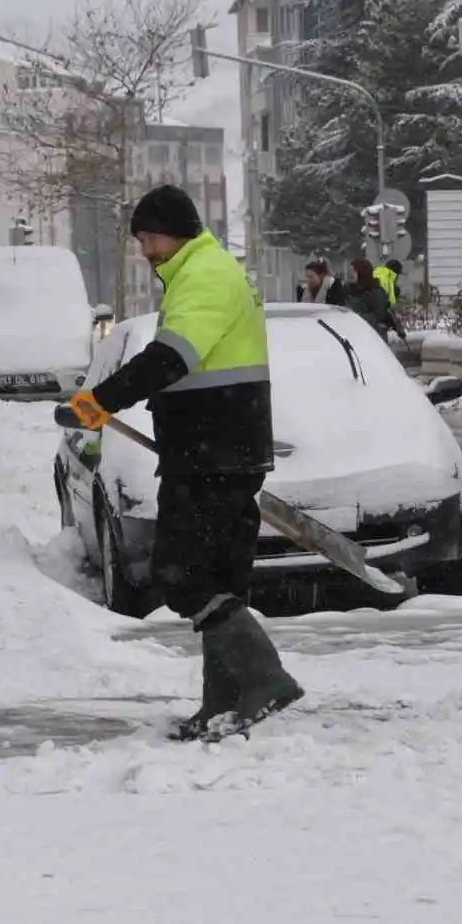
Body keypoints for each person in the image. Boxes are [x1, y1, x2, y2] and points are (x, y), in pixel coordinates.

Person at [64, 184, 303, 741]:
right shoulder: (203, 272)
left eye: (152, 237)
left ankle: (265, 680)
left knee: (180, 573)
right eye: (142, 239)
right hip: (216, 448)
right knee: (218, 580)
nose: (147, 250)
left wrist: (103, 398)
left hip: (212, 452)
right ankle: (224, 703)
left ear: (181, 232)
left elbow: (171, 358)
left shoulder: (205, 276)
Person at [348, 258, 409, 343]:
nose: (351, 275)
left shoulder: (374, 291)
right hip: (363, 336)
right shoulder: (353, 290)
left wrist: (354, 317)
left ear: (361, 272)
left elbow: (380, 314)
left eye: (353, 272)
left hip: (373, 338)